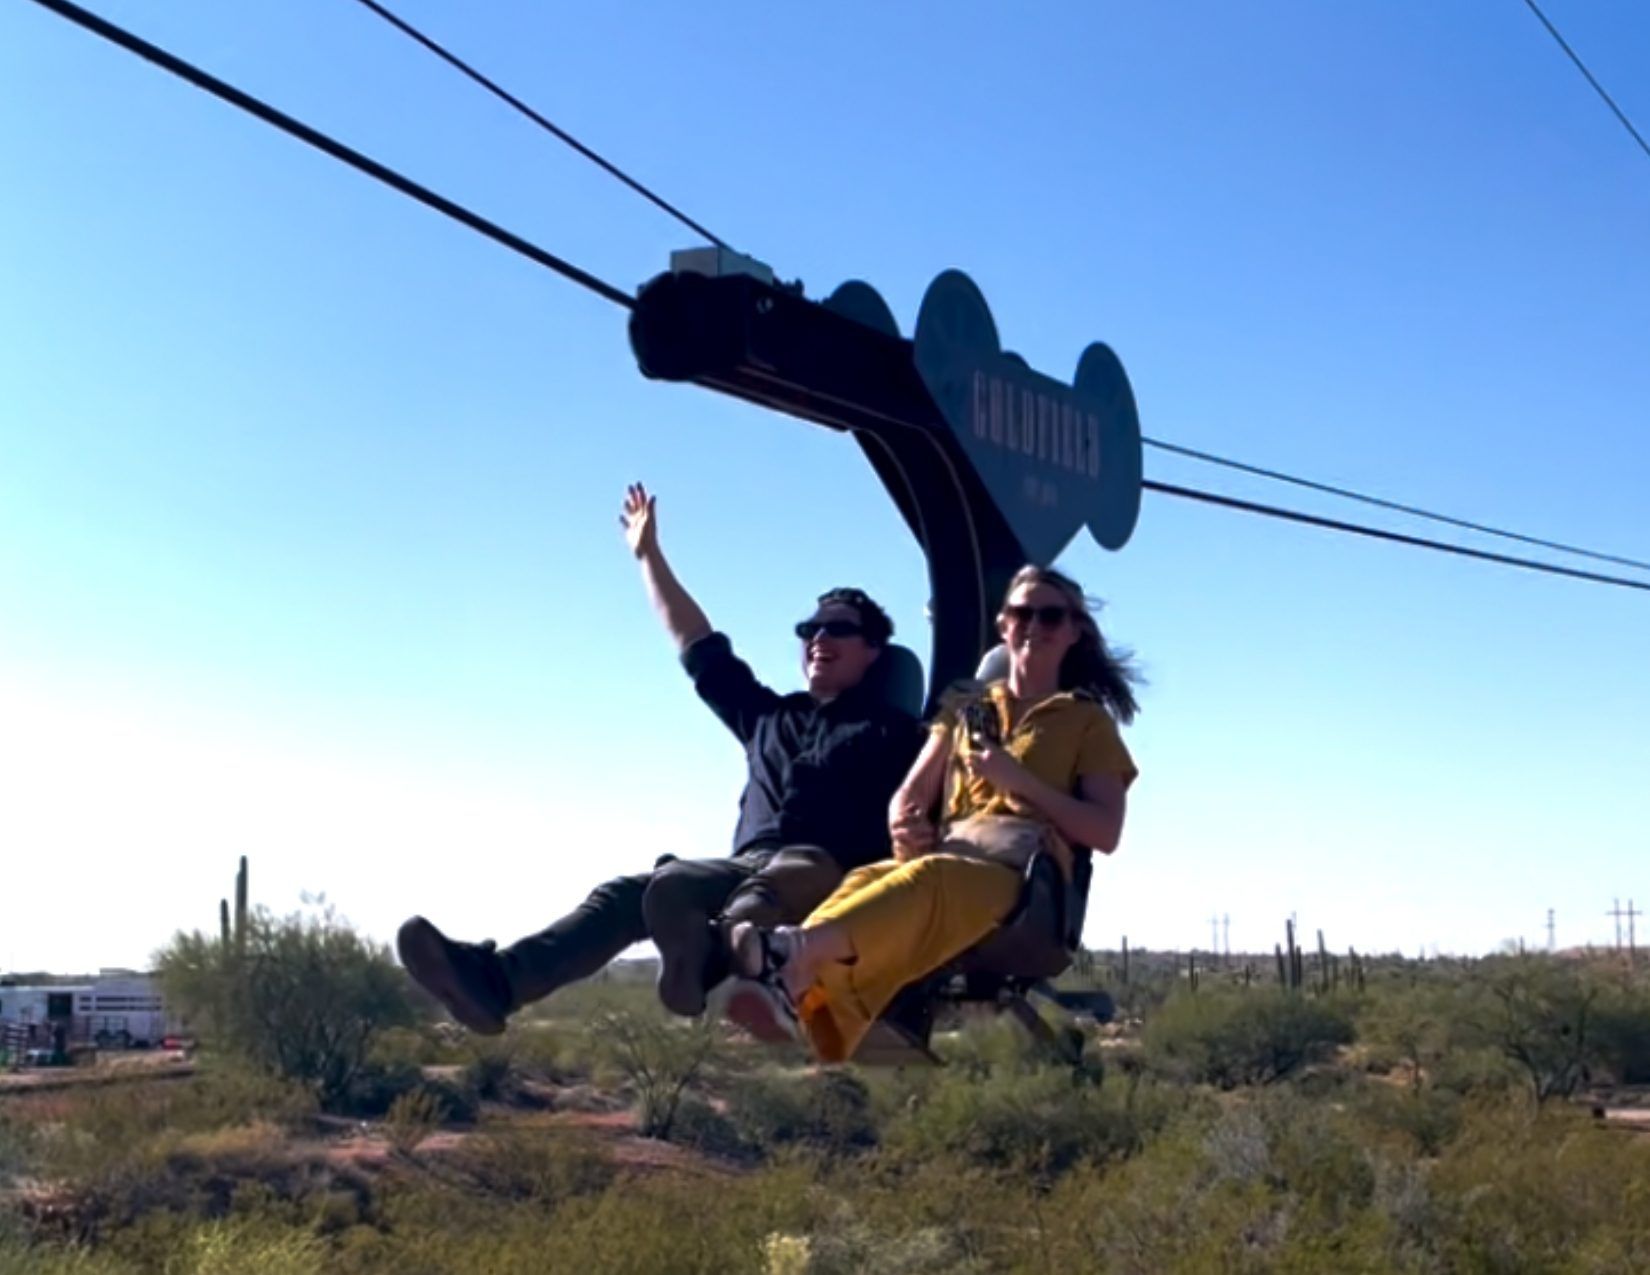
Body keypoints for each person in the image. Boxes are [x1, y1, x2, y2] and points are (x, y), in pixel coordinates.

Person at [397, 483, 925, 1033]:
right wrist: (648, 555)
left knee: (795, 868)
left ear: (873, 651)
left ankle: (710, 952)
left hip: (833, 881)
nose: (818, 637)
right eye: (808, 629)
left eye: (837, 628)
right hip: (745, 869)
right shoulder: (768, 717)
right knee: (631, 894)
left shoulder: (900, 733)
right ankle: (497, 983)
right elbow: (696, 642)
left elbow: (954, 790)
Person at [723, 564, 1139, 1062]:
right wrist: (905, 817)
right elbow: (911, 790)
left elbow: (1105, 830)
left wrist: (1019, 781)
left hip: (1024, 884)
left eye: (1049, 616)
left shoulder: (1085, 722)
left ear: (1073, 631)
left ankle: (788, 956)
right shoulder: (965, 708)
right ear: (1004, 625)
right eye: (1021, 613)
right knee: (867, 880)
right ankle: (825, 1016)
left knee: (933, 879)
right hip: (950, 852)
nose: (1033, 626)